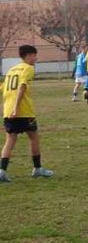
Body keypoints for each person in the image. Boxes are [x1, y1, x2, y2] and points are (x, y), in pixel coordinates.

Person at [1, 45, 54, 183]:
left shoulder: (12, 70)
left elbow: (3, 88)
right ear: (28, 55)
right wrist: (16, 107)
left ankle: (2, 171)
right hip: (23, 111)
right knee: (34, 137)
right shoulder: (28, 68)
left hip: (7, 111)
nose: (36, 58)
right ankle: (37, 169)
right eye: (35, 55)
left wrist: (10, 108)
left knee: (10, 139)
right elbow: (22, 87)